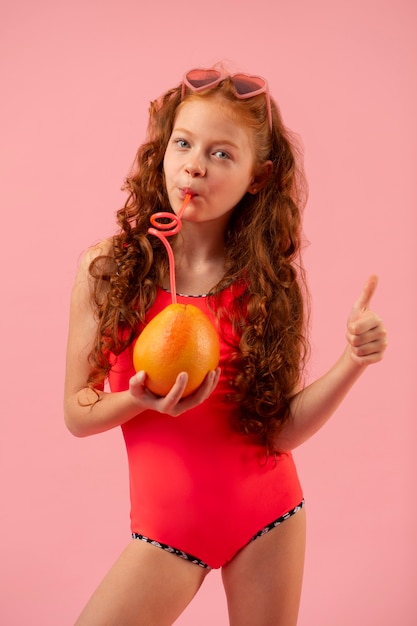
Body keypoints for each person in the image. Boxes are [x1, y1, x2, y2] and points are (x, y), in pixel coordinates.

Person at [64, 66, 387, 626]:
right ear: (163, 152)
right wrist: (141, 400)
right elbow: (76, 412)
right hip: (167, 534)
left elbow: (280, 430)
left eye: (221, 154)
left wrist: (351, 363)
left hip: (269, 517)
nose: (194, 164)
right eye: (184, 144)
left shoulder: (266, 285)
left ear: (257, 178)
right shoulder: (108, 269)